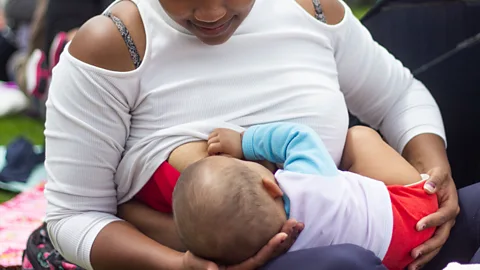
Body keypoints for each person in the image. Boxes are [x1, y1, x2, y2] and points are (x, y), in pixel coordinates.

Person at [42, 0, 459, 268]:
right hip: (336, 258)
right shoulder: (116, 44)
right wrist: (180, 266)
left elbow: (399, 96)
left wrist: (433, 172)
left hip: (379, 232)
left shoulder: (311, 9)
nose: (211, 13)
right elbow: (71, 217)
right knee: (345, 263)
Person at [172, 123, 437, 270]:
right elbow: (298, 137)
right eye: (243, 166)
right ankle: (422, 183)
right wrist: (244, 143)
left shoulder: (282, 254)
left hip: (395, 260)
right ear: (271, 187)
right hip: (414, 215)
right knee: (360, 136)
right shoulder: (306, 178)